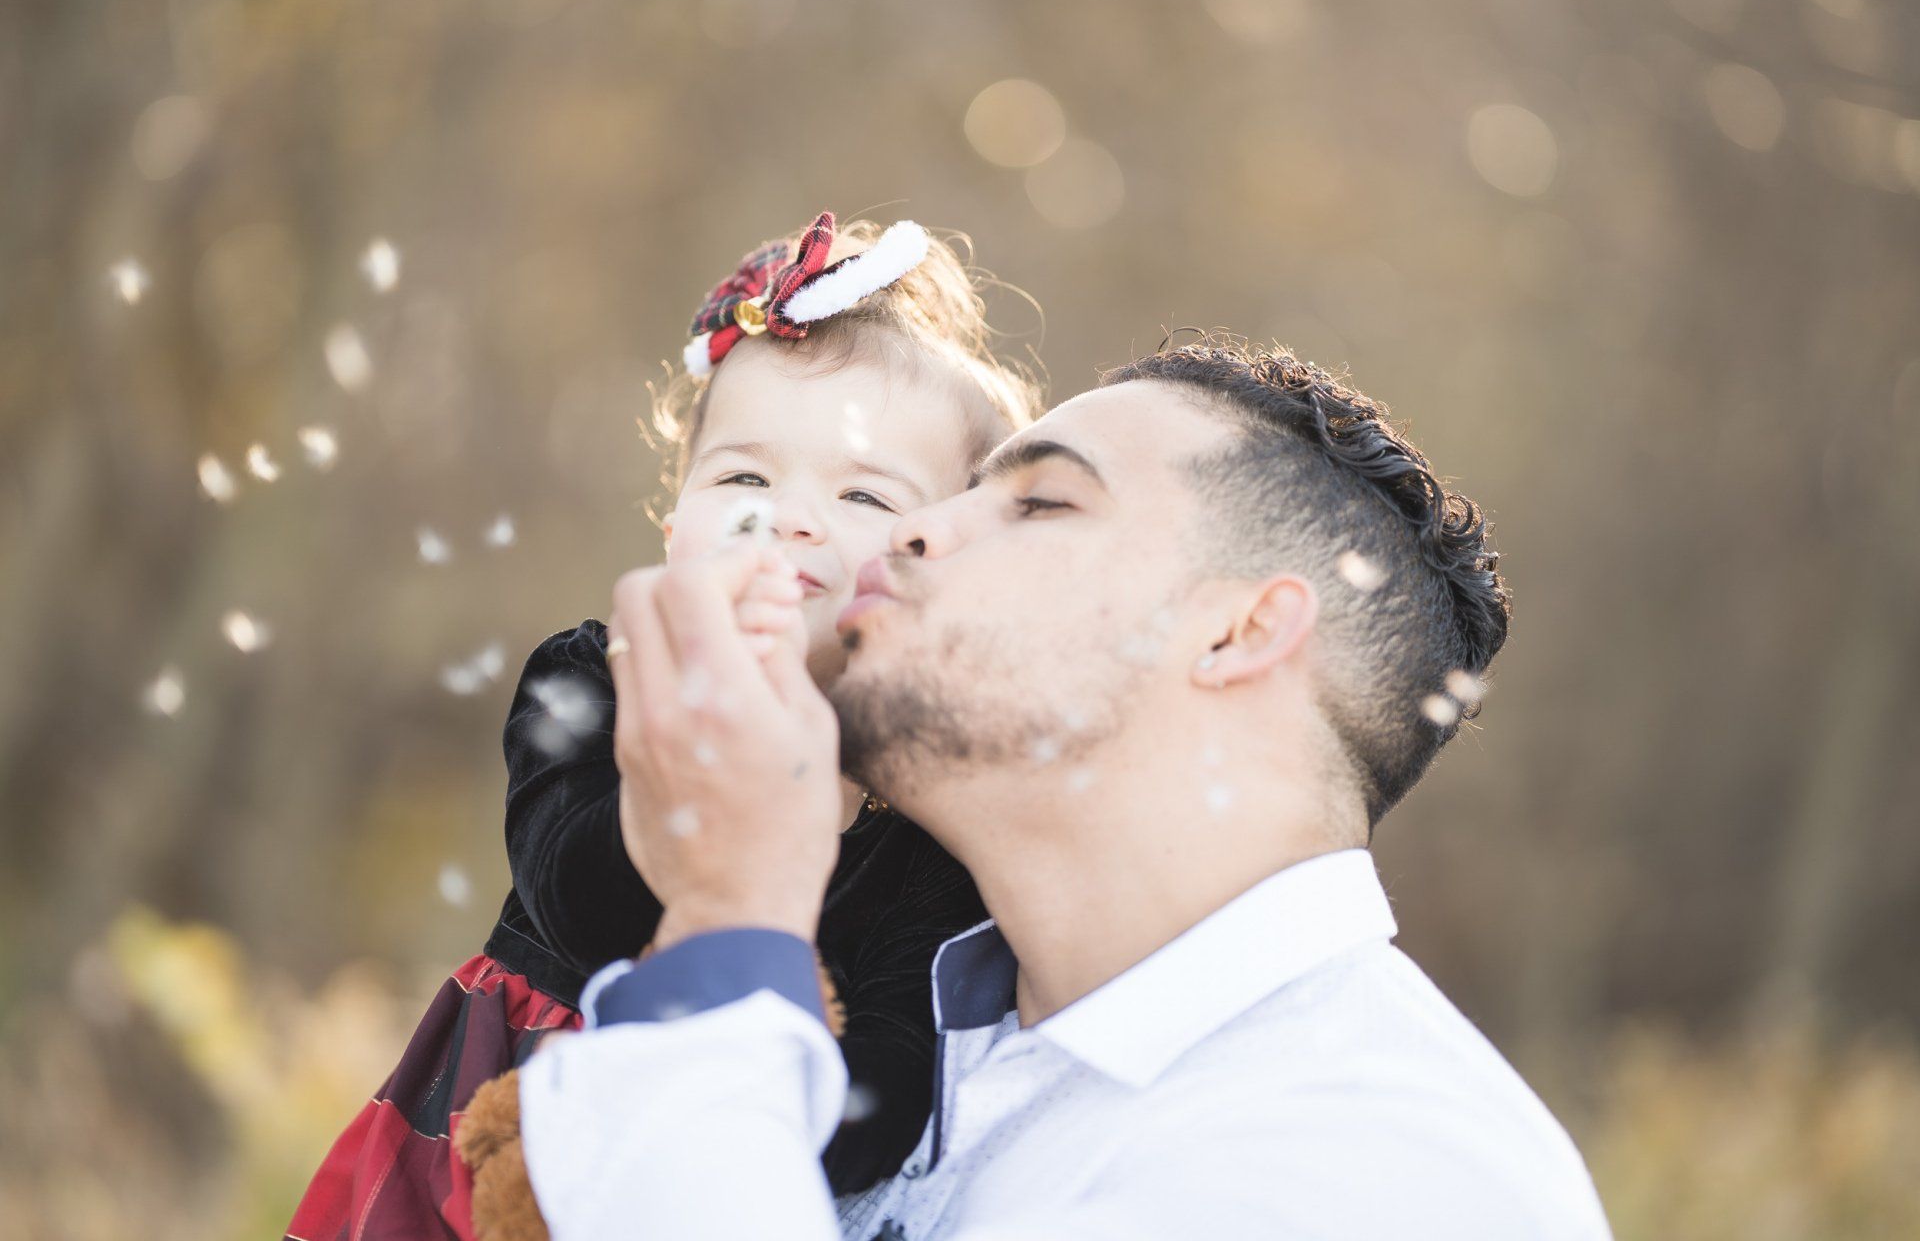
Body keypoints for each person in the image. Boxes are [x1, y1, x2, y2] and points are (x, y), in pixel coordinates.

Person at [519, 339, 1613, 1239]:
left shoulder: (1383, 1174)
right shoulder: (925, 1040)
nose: (910, 526)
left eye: (1040, 502)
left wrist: (728, 919)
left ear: (1238, 631)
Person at [283, 210, 1040, 1241]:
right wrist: (723, 726)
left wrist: (743, 1100)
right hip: (497, 1134)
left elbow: (879, 1111)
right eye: (743, 476)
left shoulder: (932, 817)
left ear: (941, 558)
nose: (790, 516)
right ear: (673, 520)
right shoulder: (596, 677)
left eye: (862, 490)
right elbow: (579, 901)